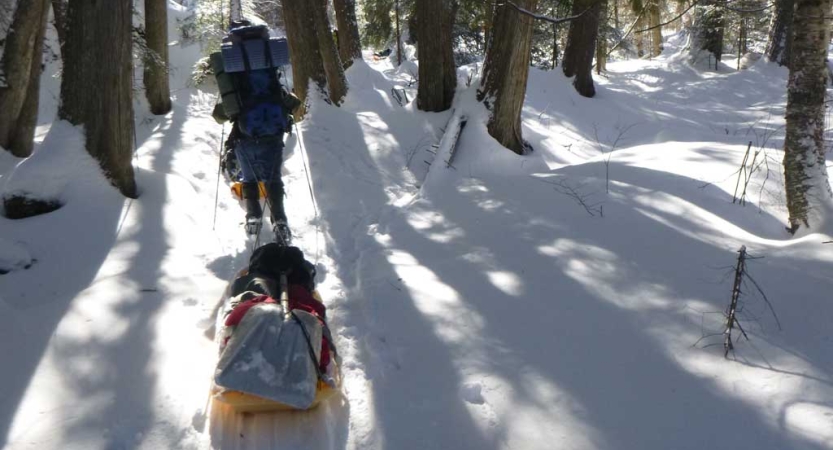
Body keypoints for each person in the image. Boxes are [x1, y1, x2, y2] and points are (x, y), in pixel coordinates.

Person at [211, 21, 299, 244]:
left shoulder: (234, 67)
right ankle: (280, 222)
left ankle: (253, 218)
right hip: (274, 129)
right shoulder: (268, 63)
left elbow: (225, 109)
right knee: (273, 178)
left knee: (249, 178)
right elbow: (286, 98)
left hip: (245, 133)